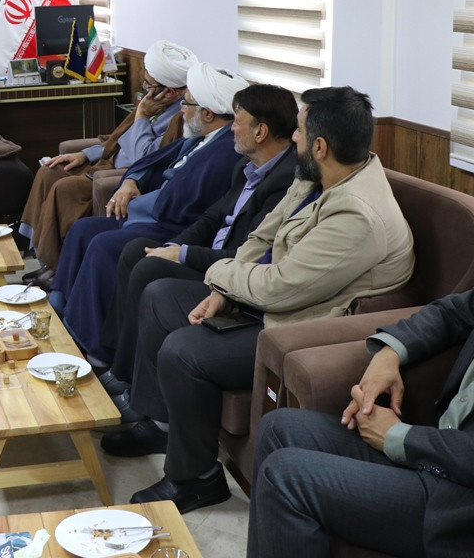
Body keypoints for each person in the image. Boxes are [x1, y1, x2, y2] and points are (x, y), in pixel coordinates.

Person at [249, 148, 474, 558]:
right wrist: (388, 354)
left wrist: (400, 438)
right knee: (280, 427)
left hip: (466, 500)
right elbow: (451, 313)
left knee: (286, 477)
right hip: (439, 448)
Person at [102, 86, 414, 514]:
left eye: (300, 131)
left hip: (303, 326)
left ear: (320, 146)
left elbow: (279, 288)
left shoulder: (357, 214)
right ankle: (162, 424)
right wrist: (222, 291)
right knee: (160, 296)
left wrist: (219, 276)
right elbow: (261, 237)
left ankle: (195, 479)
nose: (293, 138)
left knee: (184, 350)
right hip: (271, 298)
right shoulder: (318, 175)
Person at [84, 83, 299, 392]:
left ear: (260, 131)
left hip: (232, 273)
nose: (232, 128)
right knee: (136, 251)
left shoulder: (286, 182)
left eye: (238, 121)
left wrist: (183, 254)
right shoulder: (247, 165)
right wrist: (174, 246)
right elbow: (211, 217)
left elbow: (248, 253)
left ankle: (129, 381)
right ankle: (118, 362)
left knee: (148, 268)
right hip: (211, 256)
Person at [51, 63, 249, 329]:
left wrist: (146, 200)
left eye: (187, 104)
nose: (182, 109)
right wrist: (131, 181)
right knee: (82, 229)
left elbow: (185, 204)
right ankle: (59, 303)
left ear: (208, 113)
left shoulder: (224, 150)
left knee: (102, 244)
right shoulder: (199, 136)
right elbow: (152, 161)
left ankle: (85, 332)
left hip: (168, 224)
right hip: (148, 211)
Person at [18, 39, 196, 283]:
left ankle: (57, 269)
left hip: (121, 174)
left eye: (149, 84)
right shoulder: (155, 100)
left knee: (64, 189)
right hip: (107, 162)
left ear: (171, 91)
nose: (144, 87)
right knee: (51, 169)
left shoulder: (180, 117)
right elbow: (117, 138)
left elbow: (146, 158)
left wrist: (142, 116)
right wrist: (85, 154)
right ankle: (42, 257)